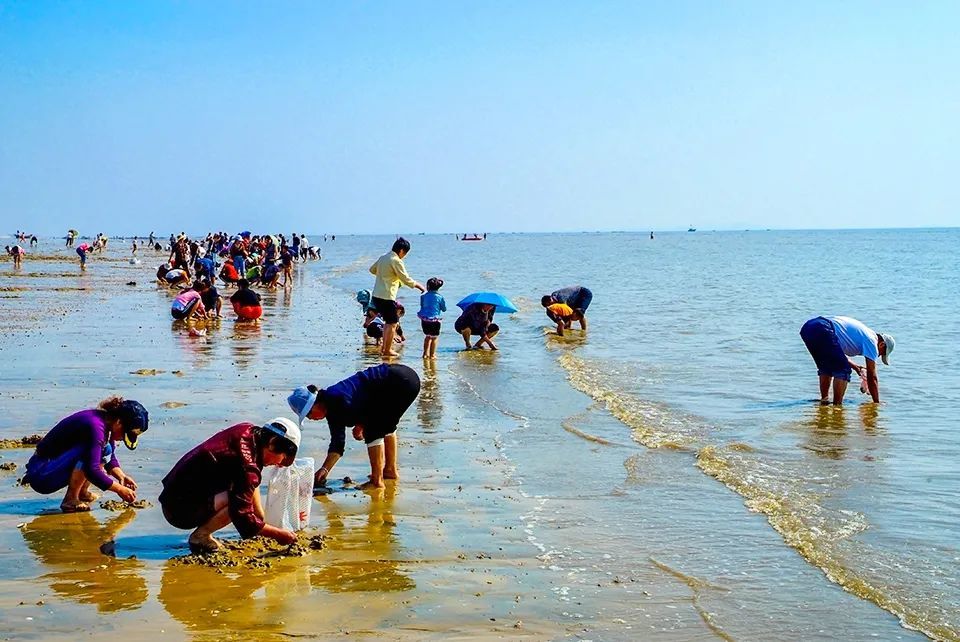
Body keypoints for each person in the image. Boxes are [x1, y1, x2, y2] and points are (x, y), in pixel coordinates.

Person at [159, 418, 301, 553]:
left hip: (173, 495)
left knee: (243, 491)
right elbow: (242, 516)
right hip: (179, 511)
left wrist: (261, 519)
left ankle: (207, 529)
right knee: (238, 502)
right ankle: (200, 536)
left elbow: (250, 482)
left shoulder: (247, 431)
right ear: (273, 442)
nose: (279, 465)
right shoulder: (248, 467)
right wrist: (278, 534)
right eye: (283, 459)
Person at [288, 364, 420, 490]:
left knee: (374, 430)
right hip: (404, 379)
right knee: (386, 425)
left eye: (309, 414)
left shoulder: (337, 398)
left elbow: (368, 414)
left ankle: (377, 481)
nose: (311, 418)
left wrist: (362, 426)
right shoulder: (332, 410)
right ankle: (390, 471)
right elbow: (337, 445)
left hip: (399, 381)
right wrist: (324, 469)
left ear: (315, 404)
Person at [22, 397, 148, 512]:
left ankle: (82, 492)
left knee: (105, 448)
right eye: (124, 433)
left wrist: (121, 476)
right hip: (41, 474)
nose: (122, 439)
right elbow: (91, 470)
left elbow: (110, 456)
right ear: (119, 422)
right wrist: (119, 489)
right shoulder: (95, 427)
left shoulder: (106, 422)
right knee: (91, 451)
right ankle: (70, 499)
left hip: (50, 467)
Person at [799, 316, 895, 405]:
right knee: (843, 370)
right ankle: (837, 406)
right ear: (881, 344)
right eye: (881, 353)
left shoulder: (864, 334)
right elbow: (872, 376)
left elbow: (837, 354)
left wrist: (856, 367)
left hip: (808, 327)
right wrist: (876, 403)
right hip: (824, 328)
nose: (877, 356)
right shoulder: (872, 342)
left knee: (826, 366)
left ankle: (824, 400)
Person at [369, 238, 425, 357]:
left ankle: (385, 348)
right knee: (393, 323)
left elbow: (372, 270)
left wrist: (385, 274)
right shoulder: (396, 260)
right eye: (405, 253)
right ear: (401, 251)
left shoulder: (383, 257)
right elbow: (406, 279)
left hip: (376, 296)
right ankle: (387, 350)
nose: (404, 256)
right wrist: (420, 287)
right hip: (387, 296)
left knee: (388, 323)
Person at [418, 277, 446, 359]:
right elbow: (444, 309)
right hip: (435, 320)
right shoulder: (440, 297)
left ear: (428, 286)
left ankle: (424, 354)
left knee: (427, 336)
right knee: (434, 338)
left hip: (424, 319)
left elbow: (422, 306)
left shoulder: (423, 296)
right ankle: (432, 355)